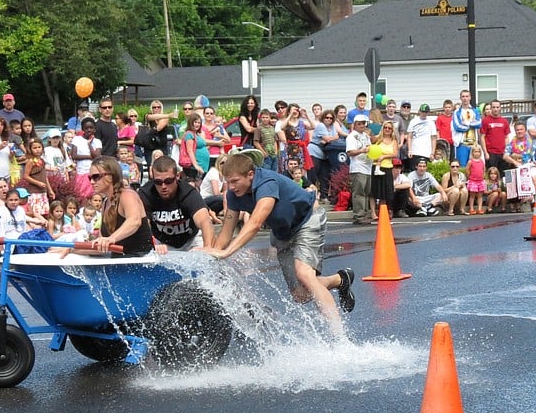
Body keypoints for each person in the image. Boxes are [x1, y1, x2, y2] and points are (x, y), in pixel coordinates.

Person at [203, 152, 355, 334]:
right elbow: (226, 232)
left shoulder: (266, 183)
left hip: (307, 220)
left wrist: (226, 253)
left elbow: (256, 223)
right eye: (228, 182)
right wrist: (211, 256)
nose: (231, 187)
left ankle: (339, 338)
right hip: (283, 233)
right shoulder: (235, 195)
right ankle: (340, 280)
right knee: (299, 294)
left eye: (235, 181)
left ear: (250, 174)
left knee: (305, 274)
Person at [138, 155, 215, 253]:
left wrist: (208, 247)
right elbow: (143, 225)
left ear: (177, 177)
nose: (163, 186)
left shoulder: (188, 192)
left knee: (210, 252)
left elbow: (205, 221)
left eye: (168, 181)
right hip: (161, 243)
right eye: (158, 182)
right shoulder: (145, 193)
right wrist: (151, 243)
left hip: (191, 240)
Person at [81, 156, 153, 256]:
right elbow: (100, 248)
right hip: (119, 264)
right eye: (90, 178)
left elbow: (134, 221)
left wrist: (111, 238)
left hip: (141, 262)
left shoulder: (128, 195)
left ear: (110, 177)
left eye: (96, 177)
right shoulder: (106, 203)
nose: (92, 182)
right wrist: (70, 250)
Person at [345, 113, 373, 224]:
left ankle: (364, 214)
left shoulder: (366, 136)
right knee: (359, 193)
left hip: (367, 167)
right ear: (355, 125)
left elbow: (370, 149)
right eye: (359, 124)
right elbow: (350, 152)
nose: (362, 126)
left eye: (363, 124)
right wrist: (362, 150)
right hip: (358, 168)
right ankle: (359, 216)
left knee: (366, 193)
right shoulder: (352, 136)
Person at [451, 89, 481, 167]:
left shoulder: (475, 111)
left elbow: (479, 123)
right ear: (460, 98)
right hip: (462, 144)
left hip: (474, 144)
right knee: (462, 166)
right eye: (463, 96)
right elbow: (457, 126)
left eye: (467, 96)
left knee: (473, 166)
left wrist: (467, 123)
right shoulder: (457, 112)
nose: (465, 98)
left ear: (470, 97)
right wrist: (471, 125)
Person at [481, 99, 511, 174]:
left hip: (502, 153)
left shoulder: (504, 121)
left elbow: (506, 137)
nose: (495, 109)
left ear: (500, 108)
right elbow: (482, 137)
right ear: (491, 108)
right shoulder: (485, 121)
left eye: (497, 107)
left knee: (504, 175)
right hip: (491, 153)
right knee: (491, 175)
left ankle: (504, 186)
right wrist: (485, 153)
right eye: (494, 107)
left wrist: (506, 151)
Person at [405, 104, 438, 170]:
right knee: (414, 171)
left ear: (428, 113)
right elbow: (409, 137)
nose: (424, 113)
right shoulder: (413, 121)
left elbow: (433, 139)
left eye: (426, 112)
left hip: (426, 152)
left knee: (424, 172)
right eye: (422, 111)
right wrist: (410, 150)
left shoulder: (431, 123)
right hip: (415, 151)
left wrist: (432, 153)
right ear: (419, 111)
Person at [464, 147, 486, 214]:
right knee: (472, 196)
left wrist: (483, 176)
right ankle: (471, 209)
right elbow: (467, 170)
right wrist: (469, 177)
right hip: (473, 181)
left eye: (478, 152)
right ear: (472, 153)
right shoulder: (470, 161)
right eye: (475, 152)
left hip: (480, 181)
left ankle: (479, 208)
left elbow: (483, 169)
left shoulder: (482, 161)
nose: (477, 153)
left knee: (480, 196)